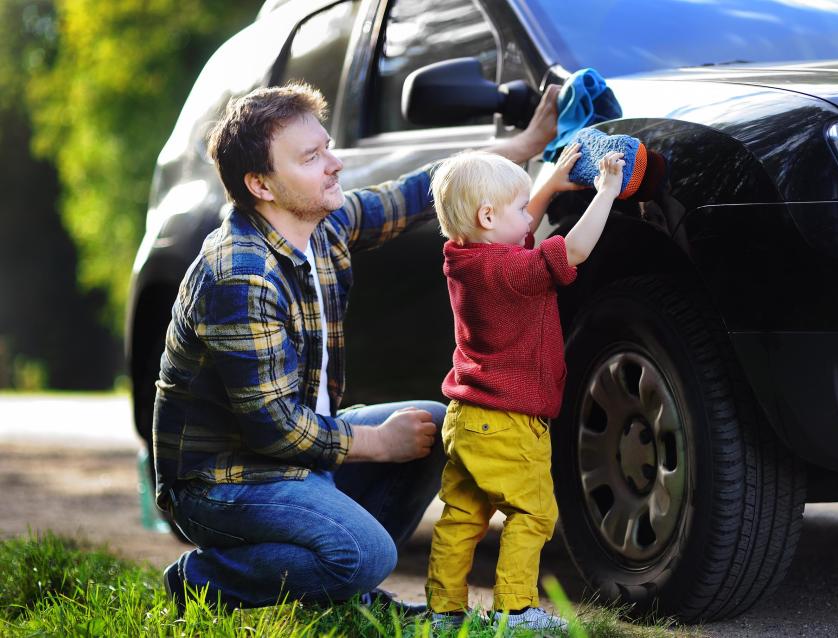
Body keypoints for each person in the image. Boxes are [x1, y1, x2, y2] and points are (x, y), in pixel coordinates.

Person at [153, 80, 560, 613]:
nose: (335, 163)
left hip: (290, 463)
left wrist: (524, 148)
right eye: (311, 157)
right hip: (222, 482)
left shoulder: (321, 226)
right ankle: (204, 580)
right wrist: (376, 445)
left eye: (327, 147)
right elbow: (273, 427)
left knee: (429, 424)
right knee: (368, 553)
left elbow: (421, 190)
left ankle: (343, 591)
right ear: (262, 184)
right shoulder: (240, 274)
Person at [424, 145, 625, 630]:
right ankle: (515, 611)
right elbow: (573, 251)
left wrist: (550, 184)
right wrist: (607, 193)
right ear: (488, 216)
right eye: (519, 208)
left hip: (467, 418)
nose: (528, 219)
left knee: (462, 518)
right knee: (532, 514)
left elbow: (512, 227)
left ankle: (443, 613)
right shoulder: (512, 273)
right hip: (511, 423)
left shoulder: (465, 258)